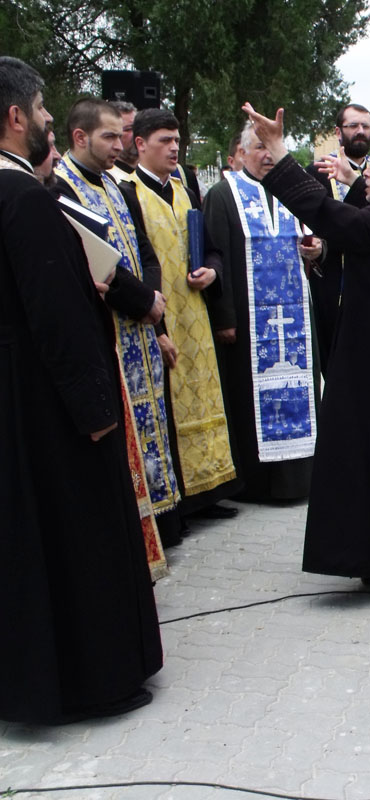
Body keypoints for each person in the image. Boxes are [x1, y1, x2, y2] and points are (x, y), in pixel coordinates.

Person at [0, 55, 162, 725]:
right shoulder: (24, 198)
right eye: (42, 109)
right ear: (16, 116)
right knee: (76, 539)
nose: (46, 119)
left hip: (15, 398)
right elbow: (57, 319)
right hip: (47, 408)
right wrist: (96, 412)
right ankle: (93, 680)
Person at [242, 102, 370, 584]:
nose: (366, 171)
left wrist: (278, 151)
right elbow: (354, 213)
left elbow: (326, 213)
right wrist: (355, 180)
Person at [53, 97, 181, 553]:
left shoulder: (115, 184)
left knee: (154, 427)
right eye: (109, 136)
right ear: (80, 137)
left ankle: (163, 525)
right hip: (110, 329)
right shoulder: (61, 187)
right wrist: (143, 301)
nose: (118, 145)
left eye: (120, 135)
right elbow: (95, 261)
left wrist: (153, 303)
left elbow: (144, 252)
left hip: (142, 329)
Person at [119, 108, 242, 521]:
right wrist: (156, 328)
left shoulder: (185, 190)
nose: (174, 148)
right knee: (169, 409)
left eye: (177, 141)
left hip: (196, 315)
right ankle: (179, 501)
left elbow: (212, 249)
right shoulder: (128, 193)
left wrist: (213, 271)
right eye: (165, 141)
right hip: (162, 319)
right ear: (140, 144)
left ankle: (209, 490)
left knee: (203, 398)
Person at [203, 120, 320, 502]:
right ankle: (256, 484)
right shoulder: (224, 194)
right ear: (242, 152)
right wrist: (225, 318)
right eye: (259, 148)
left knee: (301, 392)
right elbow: (216, 253)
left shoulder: (295, 191)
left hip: (296, 321)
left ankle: (302, 479)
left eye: (272, 147)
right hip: (249, 322)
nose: (268, 155)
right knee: (248, 398)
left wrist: (318, 251)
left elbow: (321, 238)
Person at [304, 102, 370, 375]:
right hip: (332, 281)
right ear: (338, 132)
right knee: (334, 363)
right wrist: (317, 245)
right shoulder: (317, 171)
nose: (360, 131)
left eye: (366, 126)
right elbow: (308, 222)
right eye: (353, 125)